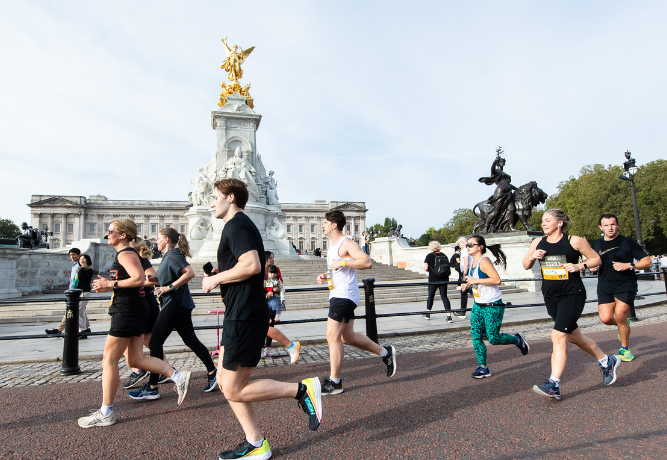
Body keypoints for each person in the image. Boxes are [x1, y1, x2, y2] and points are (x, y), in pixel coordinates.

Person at [202, 178, 321, 459]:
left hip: (243, 314)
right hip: (242, 311)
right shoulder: (240, 225)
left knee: (232, 388)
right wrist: (224, 270)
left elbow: (253, 265)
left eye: (215, 196)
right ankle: (256, 443)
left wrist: (216, 278)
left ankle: (302, 391)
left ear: (230, 197)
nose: (211, 202)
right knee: (224, 381)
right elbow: (246, 264)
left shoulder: (236, 224)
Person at [77, 219, 190, 429]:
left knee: (109, 361)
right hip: (134, 309)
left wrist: (110, 284)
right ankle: (177, 375)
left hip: (127, 311)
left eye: (111, 230)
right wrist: (110, 286)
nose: (106, 234)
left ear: (122, 235)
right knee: (134, 359)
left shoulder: (126, 253)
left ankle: (106, 412)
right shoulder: (127, 253)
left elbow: (139, 279)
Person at [523, 209, 619, 401]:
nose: (543, 224)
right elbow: (525, 264)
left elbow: (596, 259)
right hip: (550, 295)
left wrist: (579, 266)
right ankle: (607, 361)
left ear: (559, 223)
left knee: (558, 335)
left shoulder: (574, 241)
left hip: (572, 293)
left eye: (547, 220)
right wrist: (533, 256)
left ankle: (553, 384)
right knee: (574, 338)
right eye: (542, 221)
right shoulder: (537, 242)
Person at [128, 228, 218, 401]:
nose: (156, 242)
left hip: (175, 303)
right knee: (190, 340)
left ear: (167, 240)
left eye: (159, 239)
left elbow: (190, 273)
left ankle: (152, 387)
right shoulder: (168, 257)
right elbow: (159, 279)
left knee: (155, 342)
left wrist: (169, 288)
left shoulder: (173, 255)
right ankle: (213, 372)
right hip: (179, 304)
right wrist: (138, 281)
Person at [316, 210, 396, 396]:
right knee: (347, 337)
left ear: (334, 225)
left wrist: (343, 263)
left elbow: (366, 262)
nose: (323, 225)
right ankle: (385, 353)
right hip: (338, 293)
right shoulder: (333, 246)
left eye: (325, 222)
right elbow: (335, 269)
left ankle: (335, 382)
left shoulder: (347, 243)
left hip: (345, 295)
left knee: (332, 336)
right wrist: (325, 276)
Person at [461, 235, 529, 378]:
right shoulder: (472, 262)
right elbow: (477, 281)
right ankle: (483, 367)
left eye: (471, 245)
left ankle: (517, 340)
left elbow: (496, 280)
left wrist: (475, 280)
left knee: (493, 338)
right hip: (478, 305)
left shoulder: (484, 261)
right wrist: (468, 284)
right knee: (476, 337)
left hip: (492, 305)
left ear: (481, 247)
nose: (467, 247)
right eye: (467, 245)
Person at [590, 214, 651, 362]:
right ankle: (623, 324)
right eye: (606, 225)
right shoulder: (596, 244)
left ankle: (625, 349)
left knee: (620, 315)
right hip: (605, 285)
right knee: (605, 319)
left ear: (617, 225)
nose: (610, 227)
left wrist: (629, 265)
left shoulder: (627, 242)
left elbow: (647, 262)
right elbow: (589, 261)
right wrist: (592, 266)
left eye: (612, 224)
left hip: (626, 284)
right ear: (601, 227)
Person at [122, 242, 172, 389]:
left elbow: (154, 279)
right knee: (149, 340)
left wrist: (135, 282)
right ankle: (164, 369)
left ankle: (139, 369)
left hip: (144, 302)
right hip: (143, 303)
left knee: (130, 339)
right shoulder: (134, 259)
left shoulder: (139, 260)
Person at [45, 252, 93, 337]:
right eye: (81, 259)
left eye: (83, 259)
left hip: (83, 293)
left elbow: (82, 277)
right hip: (76, 292)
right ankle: (85, 328)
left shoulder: (88, 270)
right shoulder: (78, 269)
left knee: (75, 312)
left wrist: (81, 268)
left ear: (87, 260)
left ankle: (84, 330)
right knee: (80, 313)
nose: (82, 261)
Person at [262, 264, 300, 363]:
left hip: (270, 302)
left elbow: (281, 288)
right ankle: (290, 345)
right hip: (264, 302)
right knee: (263, 326)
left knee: (265, 326)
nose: (273, 275)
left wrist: (281, 297)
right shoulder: (265, 279)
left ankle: (290, 345)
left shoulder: (276, 281)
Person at [423, 241, 453, 323]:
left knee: (431, 296)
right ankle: (449, 316)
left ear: (431, 247)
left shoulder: (429, 256)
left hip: (433, 279)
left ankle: (428, 314)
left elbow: (425, 268)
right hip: (444, 278)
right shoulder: (444, 255)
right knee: (444, 296)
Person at [454, 236, 470, 318]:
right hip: (469, 272)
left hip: (466, 272)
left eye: (459, 243)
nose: (459, 246)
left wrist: (464, 276)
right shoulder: (469, 249)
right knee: (467, 291)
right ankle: (462, 310)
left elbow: (466, 263)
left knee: (464, 292)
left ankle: (462, 311)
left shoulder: (465, 250)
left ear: (462, 242)